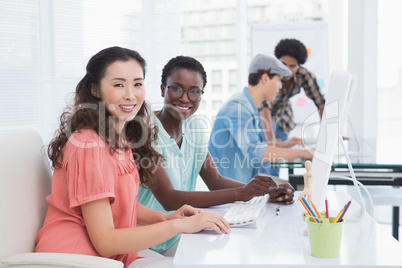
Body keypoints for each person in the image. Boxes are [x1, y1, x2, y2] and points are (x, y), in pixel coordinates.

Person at [34, 47, 230, 268]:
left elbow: (121, 205)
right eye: (118, 84)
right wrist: (179, 227)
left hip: (114, 259)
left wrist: (168, 218)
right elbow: (105, 242)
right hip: (76, 260)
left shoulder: (119, 138)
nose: (130, 94)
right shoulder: (89, 146)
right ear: (95, 90)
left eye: (137, 84)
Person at [138, 55, 289, 256]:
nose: (185, 98)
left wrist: (266, 190)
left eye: (194, 91)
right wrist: (241, 194)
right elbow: (169, 198)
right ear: (162, 88)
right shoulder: (145, 131)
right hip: (148, 243)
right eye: (176, 88)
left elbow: (215, 180)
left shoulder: (195, 127)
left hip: (181, 236)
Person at [208, 54, 314, 184]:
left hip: (243, 185)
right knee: (288, 190)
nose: (280, 86)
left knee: (287, 189)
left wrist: (283, 145)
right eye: (278, 80)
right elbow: (255, 152)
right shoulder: (238, 108)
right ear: (264, 78)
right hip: (231, 191)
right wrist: (303, 153)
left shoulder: (248, 106)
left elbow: (249, 145)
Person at [260, 38, 326, 145]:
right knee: (266, 151)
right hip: (262, 117)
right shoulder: (268, 75)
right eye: (283, 64)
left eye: (292, 66)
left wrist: (329, 133)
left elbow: (320, 102)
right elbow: (264, 107)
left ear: (299, 66)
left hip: (282, 117)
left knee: (282, 153)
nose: (287, 69)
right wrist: (271, 142)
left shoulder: (304, 76)